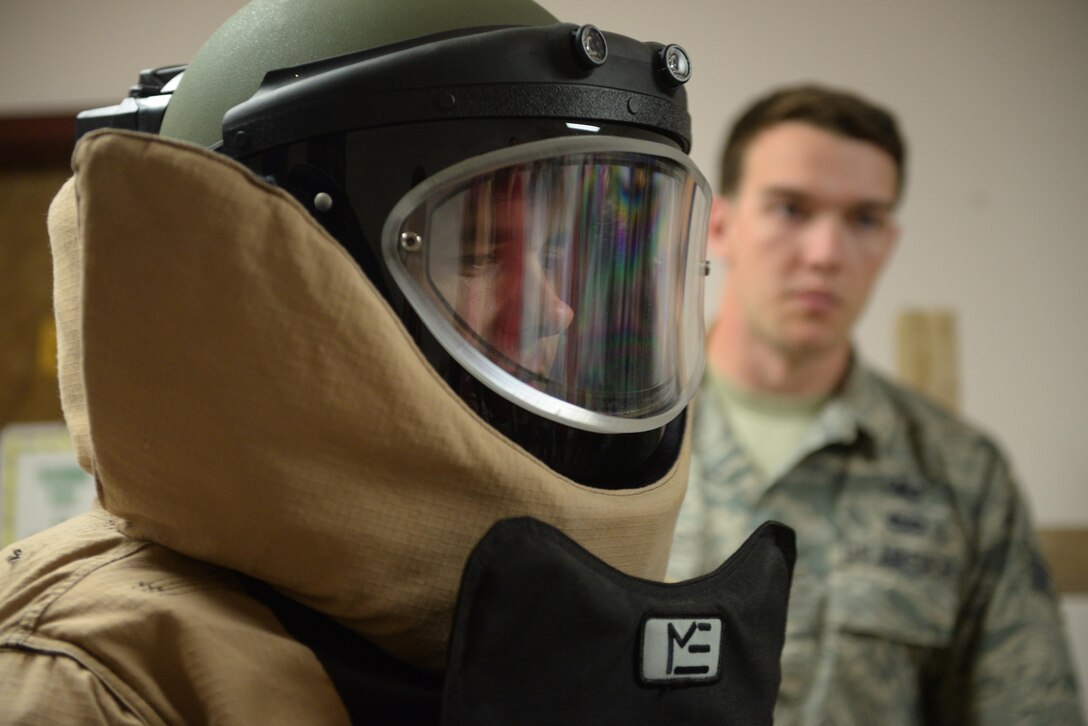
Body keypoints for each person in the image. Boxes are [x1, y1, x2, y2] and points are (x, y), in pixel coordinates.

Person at [0, 1, 797, 723]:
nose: (557, 310)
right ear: (277, 287)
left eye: (560, 255)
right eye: (482, 252)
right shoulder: (96, 677)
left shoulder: (569, 625)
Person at [667, 83, 1084, 723]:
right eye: (791, 209)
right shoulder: (611, 438)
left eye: (863, 219)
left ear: (887, 242)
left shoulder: (959, 473)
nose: (826, 255)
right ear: (719, 226)